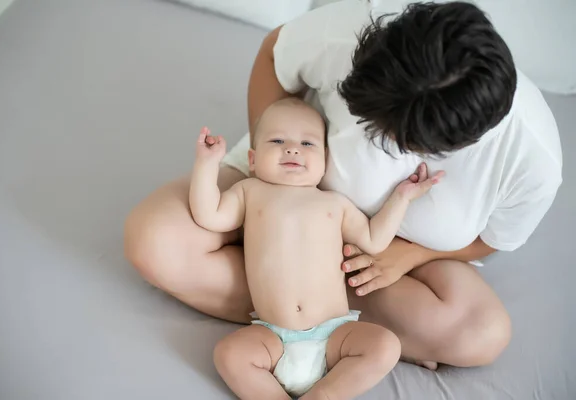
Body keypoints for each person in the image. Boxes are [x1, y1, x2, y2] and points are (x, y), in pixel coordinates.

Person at [124, 0, 563, 370]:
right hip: (281, 193)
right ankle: (316, 321)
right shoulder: (360, 27)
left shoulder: (532, 159)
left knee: (481, 333)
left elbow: (491, 239)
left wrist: (408, 254)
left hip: (381, 261)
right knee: (154, 241)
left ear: (452, 144)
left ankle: (302, 309)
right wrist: (270, 176)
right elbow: (274, 55)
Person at [190, 98, 444, 399]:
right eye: (277, 140)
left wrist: (401, 199)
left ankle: (325, 395)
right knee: (229, 354)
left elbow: (375, 239)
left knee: (386, 345)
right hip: (273, 336)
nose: (292, 149)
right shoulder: (250, 192)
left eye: (307, 143)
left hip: (334, 335)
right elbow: (209, 214)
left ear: (325, 161)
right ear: (253, 160)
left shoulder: (333, 204)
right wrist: (207, 164)